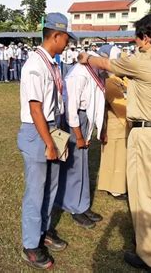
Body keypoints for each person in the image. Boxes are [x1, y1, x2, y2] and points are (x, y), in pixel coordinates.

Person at [78, 13, 151, 271]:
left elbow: (108, 63)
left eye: (136, 38)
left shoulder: (142, 61)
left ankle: (148, 255)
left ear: (145, 38)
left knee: (142, 195)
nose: (135, 43)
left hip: (147, 134)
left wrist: (86, 57)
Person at [17, 12, 76, 270]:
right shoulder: (34, 66)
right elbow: (35, 109)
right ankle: (31, 245)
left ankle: (44, 230)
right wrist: (49, 144)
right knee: (36, 190)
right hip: (37, 131)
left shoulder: (51, 63)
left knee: (51, 187)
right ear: (56, 35)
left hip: (51, 129)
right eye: (66, 39)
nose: (68, 44)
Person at [55, 44, 105, 230]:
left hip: (83, 120)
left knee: (82, 166)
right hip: (74, 121)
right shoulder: (79, 75)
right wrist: (79, 135)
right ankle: (75, 208)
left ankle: (82, 205)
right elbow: (71, 108)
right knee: (74, 166)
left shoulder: (91, 72)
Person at [96, 45, 129, 200]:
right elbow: (122, 106)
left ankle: (115, 186)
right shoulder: (110, 82)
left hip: (121, 125)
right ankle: (115, 188)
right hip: (117, 126)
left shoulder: (119, 80)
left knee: (119, 158)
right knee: (115, 158)